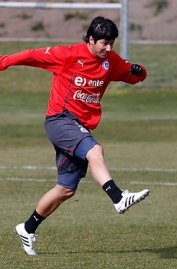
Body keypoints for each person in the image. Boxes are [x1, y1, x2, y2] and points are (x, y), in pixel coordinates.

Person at [0, 16, 150, 256]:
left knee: (66, 189)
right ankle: (118, 196)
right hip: (60, 120)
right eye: (104, 43)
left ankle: (27, 228)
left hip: (79, 126)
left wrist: (138, 70)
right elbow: (31, 55)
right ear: (91, 39)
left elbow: (136, 77)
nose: (109, 48)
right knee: (95, 151)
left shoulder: (110, 61)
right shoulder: (68, 55)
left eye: (112, 43)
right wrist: (3, 62)